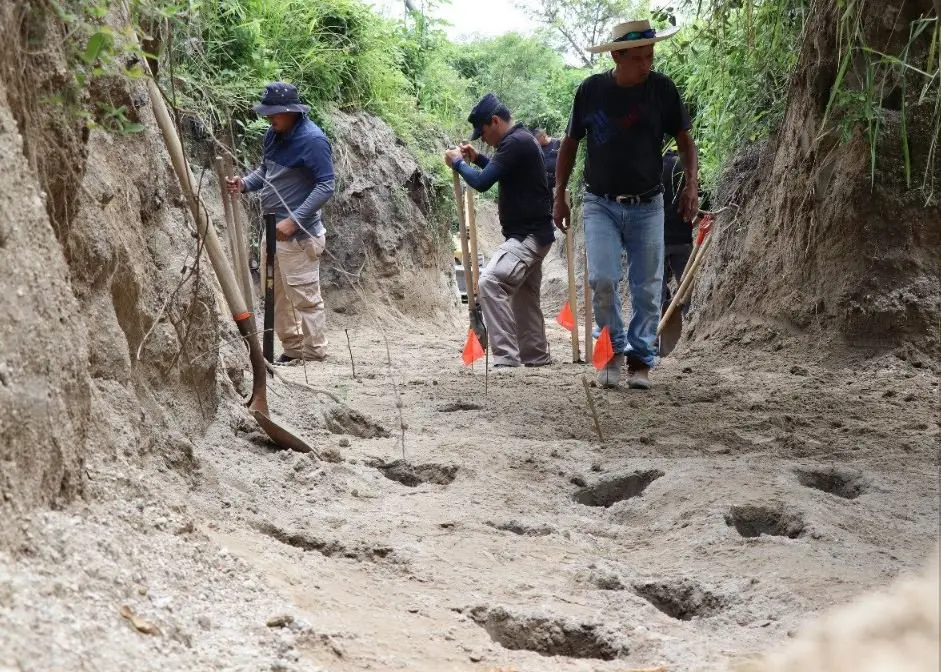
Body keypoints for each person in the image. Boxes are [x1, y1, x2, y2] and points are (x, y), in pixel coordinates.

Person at [553, 18, 699, 390]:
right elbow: (570, 144)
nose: (648, 63)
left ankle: (640, 362)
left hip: (648, 203)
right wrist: (559, 192)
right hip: (600, 202)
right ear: (618, 55)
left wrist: (691, 184)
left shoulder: (662, 90)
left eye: (650, 55)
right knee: (602, 279)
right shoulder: (591, 91)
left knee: (647, 287)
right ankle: (612, 351)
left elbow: (684, 140)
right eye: (639, 57)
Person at [227, 82, 335, 364]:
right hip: (273, 228)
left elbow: (326, 186)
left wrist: (295, 221)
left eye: (274, 113)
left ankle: (314, 352)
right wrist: (244, 184)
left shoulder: (313, 140)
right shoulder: (273, 134)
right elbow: (266, 171)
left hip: (300, 236)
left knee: (304, 296)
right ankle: (294, 348)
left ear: (291, 111)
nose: (269, 118)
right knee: (275, 295)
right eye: (268, 113)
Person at [445, 93, 555, 368]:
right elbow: (500, 172)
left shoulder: (514, 142)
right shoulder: (520, 140)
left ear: (494, 121)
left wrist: (458, 163)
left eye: (483, 133)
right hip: (535, 234)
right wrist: (478, 157)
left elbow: (482, 183)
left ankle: (506, 358)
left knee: (491, 283)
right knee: (524, 298)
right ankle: (535, 356)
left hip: (527, 235)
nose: (483, 139)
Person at [660, 149, 693, 314]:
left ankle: (657, 329)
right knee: (686, 284)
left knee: (656, 286)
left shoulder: (655, 167)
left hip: (659, 240)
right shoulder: (687, 169)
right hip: (683, 238)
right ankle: (687, 320)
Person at [533, 128, 561, 196]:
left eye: (538, 139)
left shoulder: (557, 142)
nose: (537, 142)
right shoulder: (538, 148)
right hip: (544, 181)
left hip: (557, 180)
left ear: (543, 136)